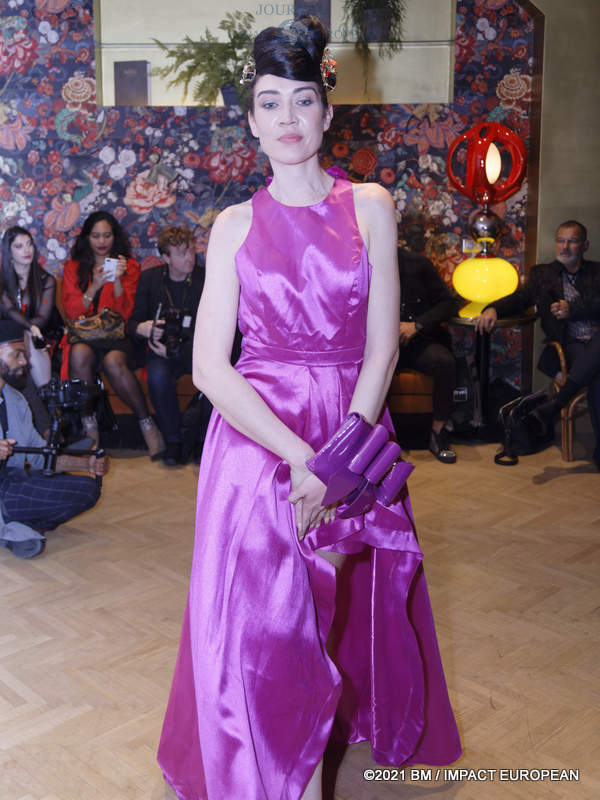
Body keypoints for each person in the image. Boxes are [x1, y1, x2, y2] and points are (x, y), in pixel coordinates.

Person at [157, 17, 461, 800]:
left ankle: (342, 729)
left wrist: (340, 461)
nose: (287, 118)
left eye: (301, 100)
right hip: (258, 438)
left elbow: (382, 348)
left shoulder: (371, 205)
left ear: (327, 111)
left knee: (349, 598)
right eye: (270, 103)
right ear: (252, 120)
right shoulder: (231, 227)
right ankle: (263, 770)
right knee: (264, 620)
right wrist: (305, 461)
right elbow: (209, 367)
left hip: (353, 425)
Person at [475, 220, 600, 467]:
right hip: (571, 346)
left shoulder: (597, 272)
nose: (565, 246)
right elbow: (520, 299)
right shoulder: (543, 275)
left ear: (585, 245)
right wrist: (492, 308)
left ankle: (558, 402)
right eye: (560, 240)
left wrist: (573, 309)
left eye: (572, 241)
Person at [60, 211, 165, 458]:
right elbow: (73, 312)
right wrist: (95, 285)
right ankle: (89, 426)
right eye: (95, 235)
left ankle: (146, 424)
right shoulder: (73, 267)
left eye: (106, 235)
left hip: (117, 338)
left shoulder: (130, 267)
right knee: (79, 353)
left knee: (113, 361)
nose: (101, 241)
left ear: (114, 237)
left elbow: (125, 314)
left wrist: (117, 280)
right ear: (87, 238)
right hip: (85, 336)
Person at [0, 322, 108, 559]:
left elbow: (39, 455)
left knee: (87, 490)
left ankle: (13, 523)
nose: (24, 362)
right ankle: (12, 528)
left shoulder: (16, 400)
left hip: (9, 484)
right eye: (16, 355)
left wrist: (86, 465)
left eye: (24, 355)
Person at [128, 226, 205, 465]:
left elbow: (214, 326)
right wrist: (143, 328)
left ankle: (201, 440)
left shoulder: (205, 278)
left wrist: (180, 351)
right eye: (182, 254)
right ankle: (173, 441)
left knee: (215, 376)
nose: (190, 258)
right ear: (166, 257)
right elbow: (133, 323)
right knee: (157, 377)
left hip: (196, 350)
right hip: (162, 350)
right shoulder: (150, 279)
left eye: (191, 251)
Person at [396, 248, 460, 463]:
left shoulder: (418, 264)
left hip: (420, 340)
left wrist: (417, 325)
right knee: (365, 369)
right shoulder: (361, 263)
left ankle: (438, 431)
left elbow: (448, 304)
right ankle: (378, 439)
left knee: (444, 362)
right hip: (383, 345)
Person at [0, 226, 56, 387]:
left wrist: (30, 330)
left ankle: (45, 393)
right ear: (9, 252)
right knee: (25, 334)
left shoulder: (46, 280)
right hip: (7, 336)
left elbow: (43, 318)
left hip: (40, 336)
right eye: (19, 246)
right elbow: (9, 310)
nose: (27, 250)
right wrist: (29, 327)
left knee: (29, 338)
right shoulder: (2, 280)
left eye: (29, 244)